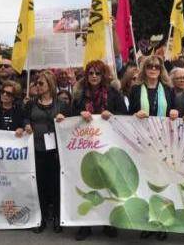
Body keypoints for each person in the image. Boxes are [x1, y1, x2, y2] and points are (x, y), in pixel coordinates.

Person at [67, 60, 126, 240]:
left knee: (108, 184)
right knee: (85, 184)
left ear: (103, 76)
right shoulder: (78, 95)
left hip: (107, 147)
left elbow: (124, 116)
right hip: (85, 148)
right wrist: (79, 115)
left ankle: (108, 223)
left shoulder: (114, 94)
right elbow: (70, 120)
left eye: (97, 73)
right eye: (91, 73)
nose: (94, 76)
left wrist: (112, 116)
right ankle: (85, 224)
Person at [27, 70, 67, 234]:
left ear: (50, 84)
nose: (38, 86)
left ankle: (58, 217)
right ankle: (41, 218)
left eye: (41, 83)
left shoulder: (61, 105)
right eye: (36, 83)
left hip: (56, 151)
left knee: (55, 185)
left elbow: (70, 123)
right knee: (40, 185)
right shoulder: (31, 104)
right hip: (37, 149)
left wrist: (62, 119)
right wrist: (27, 124)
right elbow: (24, 118)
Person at [128, 56, 178, 122]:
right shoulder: (135, 89)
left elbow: (175, 109)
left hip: (163, 129)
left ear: (161, 70)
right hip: (140, 128)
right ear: (144, 69)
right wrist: (135, 115)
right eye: (149, 66)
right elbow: (129, 113)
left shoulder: (168, 89)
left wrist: (175, 113)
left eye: (157, 67)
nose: (153, 69)